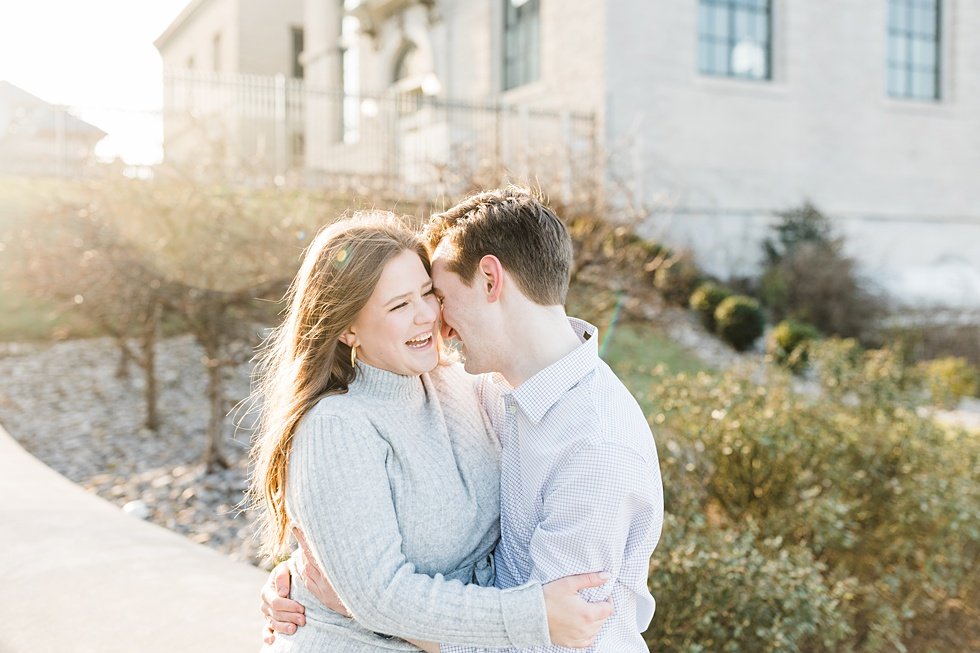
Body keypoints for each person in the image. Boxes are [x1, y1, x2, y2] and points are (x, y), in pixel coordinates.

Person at [264, 188, 664, 652]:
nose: (436, 322)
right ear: (347, 327)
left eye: (434, 296)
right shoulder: (490, 390)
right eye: (401, 304)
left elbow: (553, 641)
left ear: (491, 280)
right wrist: (308, 580)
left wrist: (361, 602)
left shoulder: (590, 447)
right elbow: (366, 563)